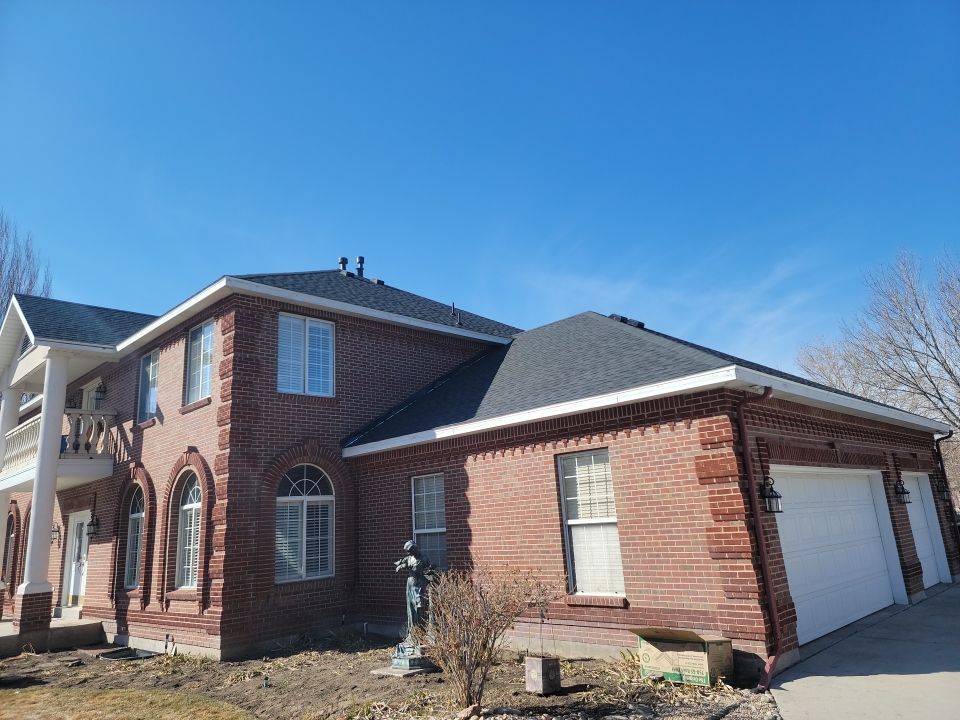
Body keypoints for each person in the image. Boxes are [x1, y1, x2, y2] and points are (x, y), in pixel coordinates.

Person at [394, 540, 436, 641]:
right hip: (410, 584)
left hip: (420, 583)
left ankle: (421, 631)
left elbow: (430, 570)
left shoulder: (424, 558)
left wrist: (429, 573)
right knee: (411, 609)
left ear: (414, 549)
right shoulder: (408, 558)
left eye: (409, 551)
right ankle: (413, 633)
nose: (408, 553)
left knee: (420, 607)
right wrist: (400, 566)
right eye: (407, 552)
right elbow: (399, 563)